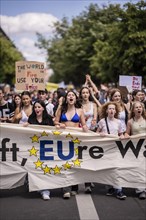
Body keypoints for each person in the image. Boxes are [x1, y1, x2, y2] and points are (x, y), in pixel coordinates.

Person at [54, 90, 88, 199]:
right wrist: (59, 124)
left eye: (72, 95)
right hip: (63, 140)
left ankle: (74, 187)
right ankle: (65, 188)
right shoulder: (61, 109)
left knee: (74, 164)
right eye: (69, 95)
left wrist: (86, 128)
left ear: (75, 98)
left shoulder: (80, 111)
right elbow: (55, 121)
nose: (71, 96)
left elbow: (83, 124)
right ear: (66, 98)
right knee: (64, 163)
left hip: (75, 140)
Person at [96, 101, 127, 200]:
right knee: (107, 169)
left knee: (116, 169)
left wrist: (122, 136)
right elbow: (96, 134)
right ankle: (110, 188)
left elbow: (121, 133)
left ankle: (119, 190)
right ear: (106, 110)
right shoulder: (101, 122)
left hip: (115, 148)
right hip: (104, 149)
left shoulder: (119, 122)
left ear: (116, 111)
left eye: (113, 109)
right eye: (109, 108)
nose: (111, 110)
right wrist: (99, 134)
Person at [26, 100, 54, 200]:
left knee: (45, 168)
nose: (37, 109)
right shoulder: (31, 118)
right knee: (36, 168)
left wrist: (59, 126)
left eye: (39, 107)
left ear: (43, 108)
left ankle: (46, 190)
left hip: (46, 148)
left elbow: (54, 131)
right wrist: (25, 126)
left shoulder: (49, 118)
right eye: (35, 107)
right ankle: (39, 187)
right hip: (34, 148)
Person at [125, 101, 146, 200]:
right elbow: (127, 134)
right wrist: (123, 136)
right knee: (139, 170)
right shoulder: (130, 122)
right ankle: (140, 190)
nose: (139, 109)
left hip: (145, 148)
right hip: (136, 149)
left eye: (140, 107)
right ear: (133, 110)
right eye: (136, 107)